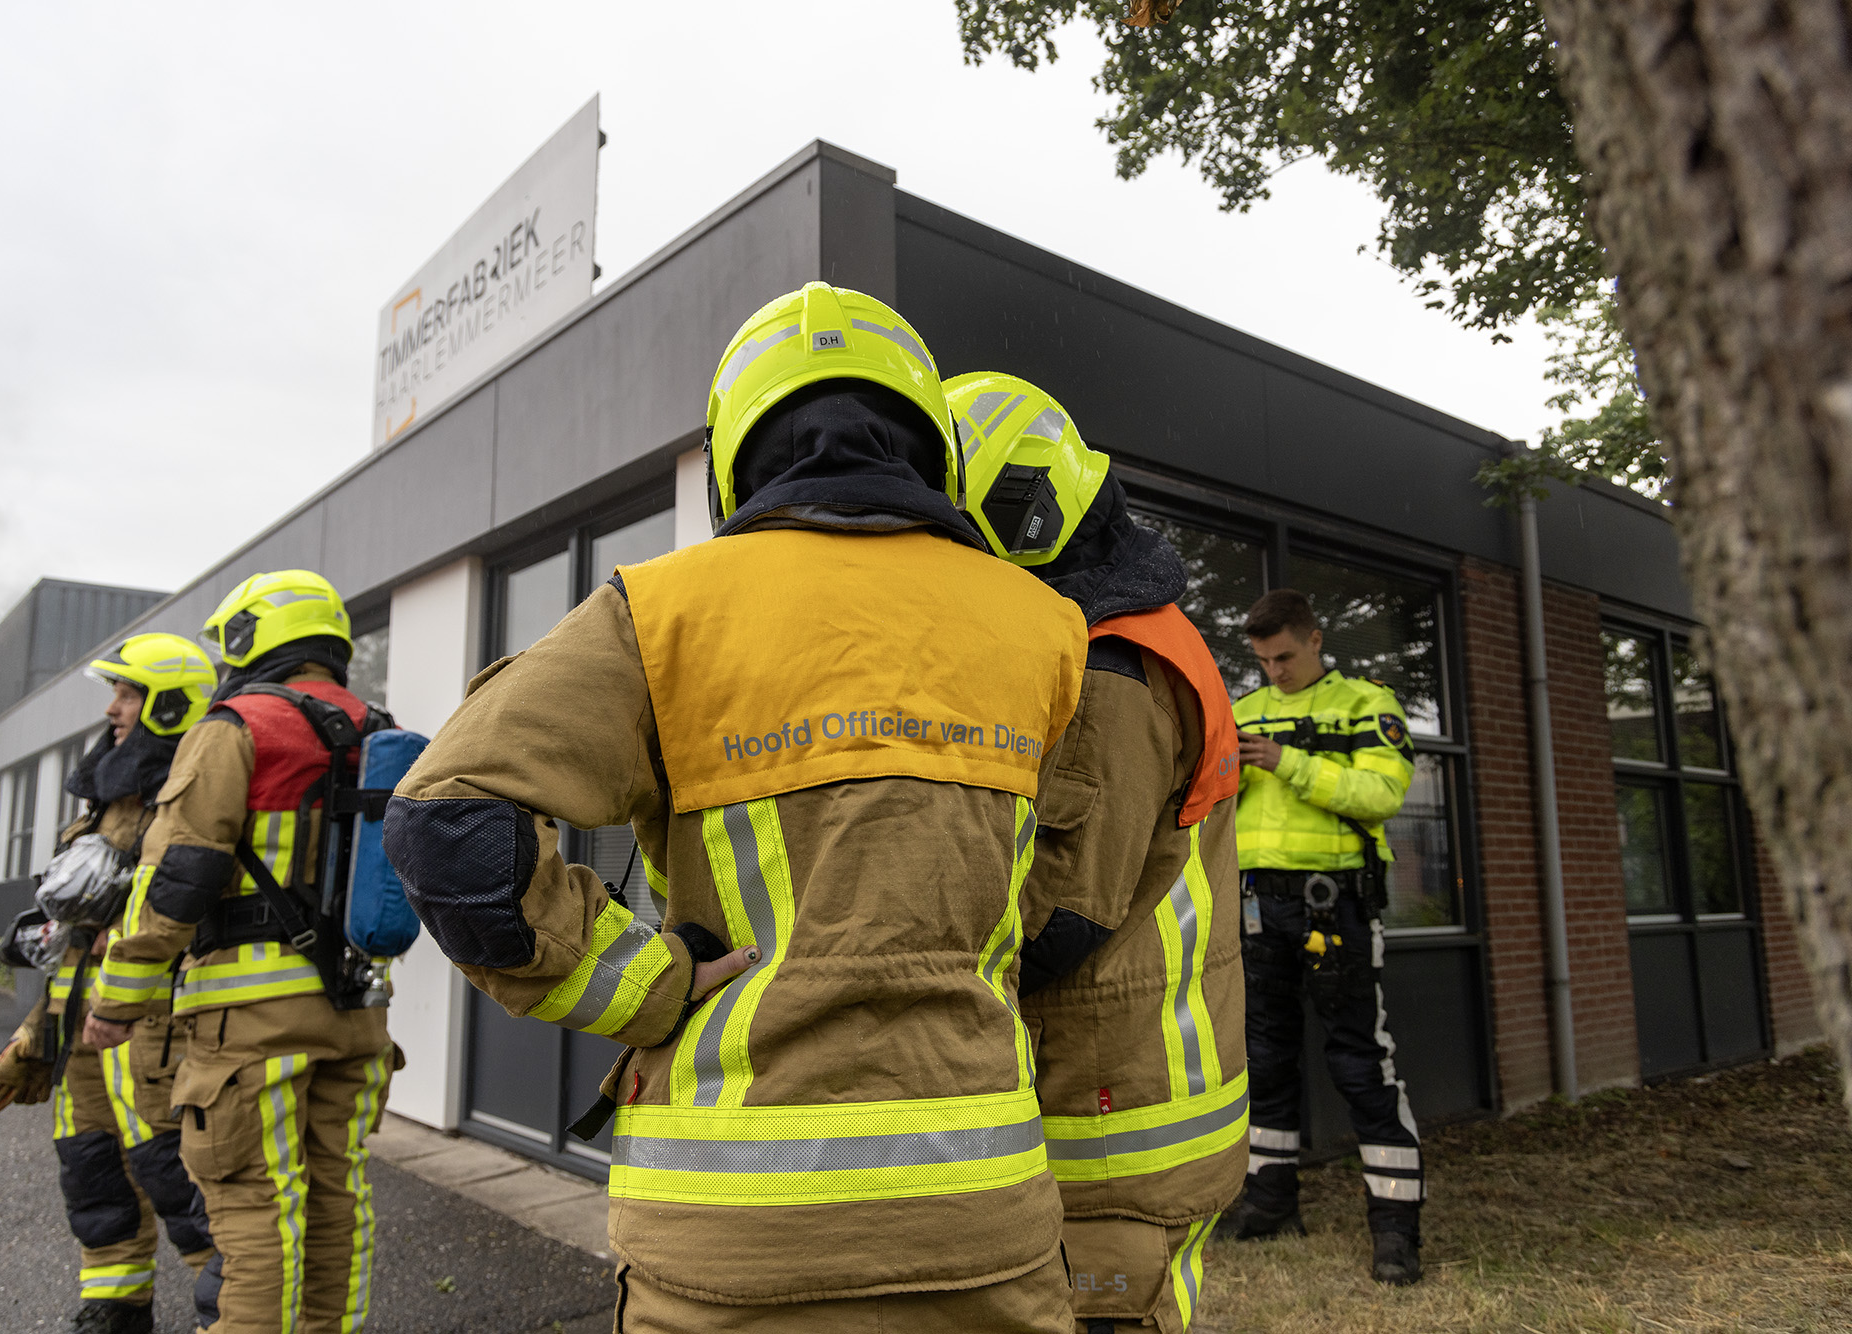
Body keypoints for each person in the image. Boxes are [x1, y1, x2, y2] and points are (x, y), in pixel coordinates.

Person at [385, 282, 1091, 1332]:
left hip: (732, 1229)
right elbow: (1062, 893)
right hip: (980, 1216)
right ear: (927, 442)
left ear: (734, 454)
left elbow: (447, 820)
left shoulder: (661, 612)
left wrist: (642, 989)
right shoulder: (1044, 629)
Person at [947, 371, 1247, 1333]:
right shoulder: (1134, 633)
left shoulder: (1110, 669)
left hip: (1115, 1112)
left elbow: (1061, 915)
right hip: (1134, 1087)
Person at [86, 572, 400, 1333]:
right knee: (336, 1201)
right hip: (358, 1012)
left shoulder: (239, 724)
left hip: (250, 1023)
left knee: (255, 1211)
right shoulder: (382, 731)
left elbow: (178, 878)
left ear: (251, 635)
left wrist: (117, 1001)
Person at [0, 633, 222, 1334]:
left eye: (129, 693)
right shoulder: (105, 800)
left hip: (156, 1034)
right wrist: (37, 1034)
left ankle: (231, 1317)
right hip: (83, 1032)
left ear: (168, 707)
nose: (113, 708)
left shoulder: (194, 798)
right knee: (93, 1176)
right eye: (115, 692)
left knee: (183, 1186)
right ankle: (114, 1312)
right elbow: (78, 937)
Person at [1221, 588, 1423, 1285]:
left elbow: (1380, 796)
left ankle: (1396, 1231)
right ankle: (1270, 1205)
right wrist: (1232, 775)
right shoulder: (1240, 712)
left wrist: (1286, 763)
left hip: (1334, 907)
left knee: (1361, 1065)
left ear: (1314, 639)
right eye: (1262, 660)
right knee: (1266, 1061)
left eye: (1283, 656)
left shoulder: (1368, 704)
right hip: (1255, 909)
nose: (1273, 671)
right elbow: (1213, 807)